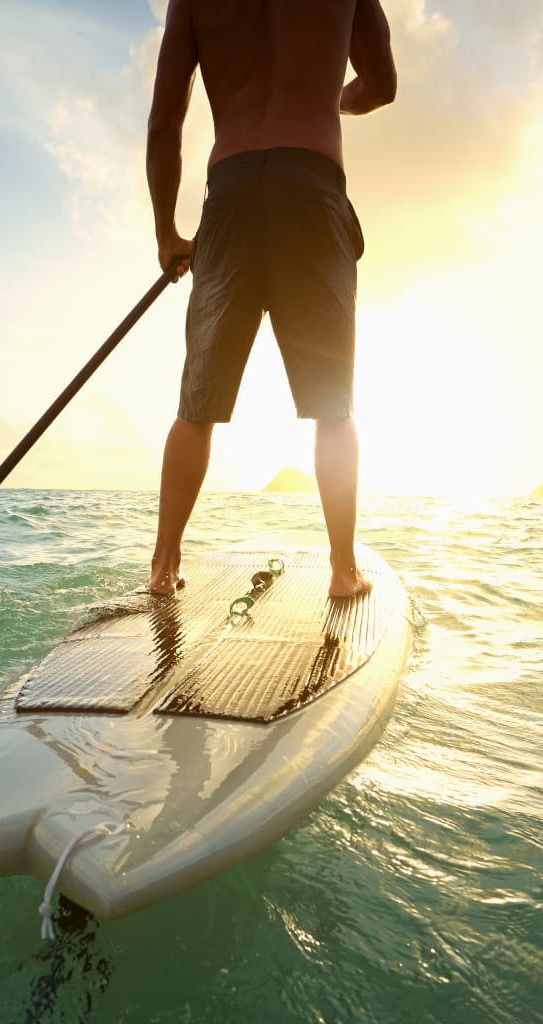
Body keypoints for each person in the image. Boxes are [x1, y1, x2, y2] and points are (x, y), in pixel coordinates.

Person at [145, 0, 396, 598]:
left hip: (229, 196)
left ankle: (162, 568)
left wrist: (167, 236)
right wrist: (326, 95)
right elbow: (381, 86)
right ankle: (341, 571)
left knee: (196, 406)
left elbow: (164, 123)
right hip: (310, 188)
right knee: (332, 405)